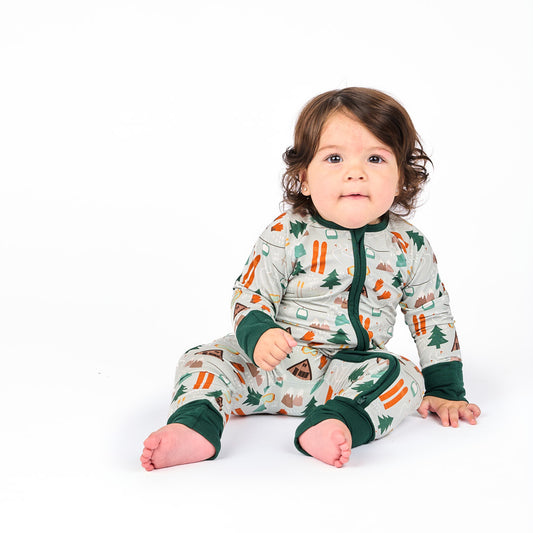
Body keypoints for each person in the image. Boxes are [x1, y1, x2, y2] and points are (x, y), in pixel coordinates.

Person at [141, 87, 481, 470]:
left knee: (403, 376)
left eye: (375, 158)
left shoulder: (410, 244)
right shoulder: (287, 233)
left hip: (348, 372)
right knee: (201, 359)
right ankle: (195, 428)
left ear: (402, 176)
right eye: (334, 158)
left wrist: (445, 389)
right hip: (268, 364)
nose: (356, 171)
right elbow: (251, 292)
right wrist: (259, 335)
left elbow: (431, 315)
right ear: (304, 178)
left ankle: (336, 422)